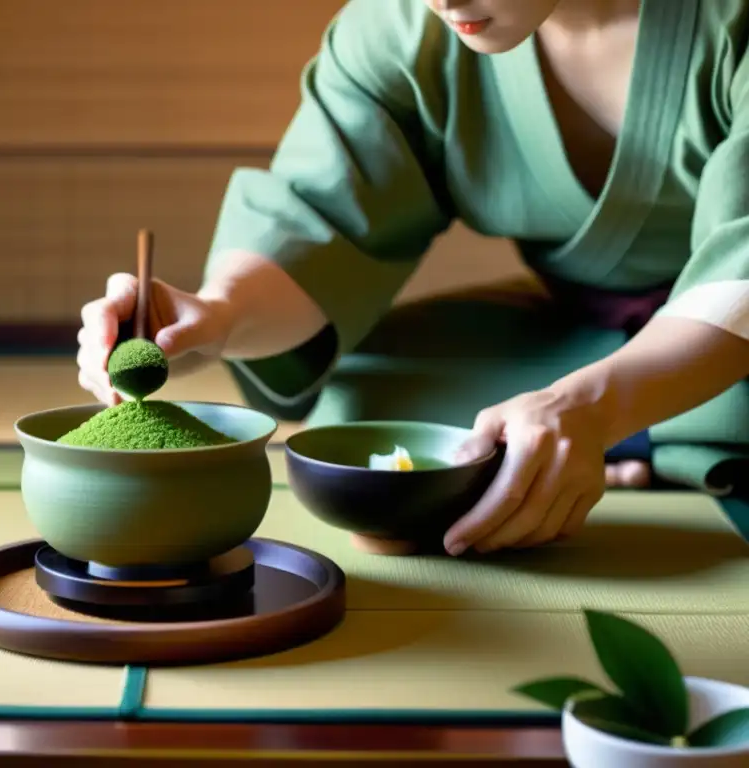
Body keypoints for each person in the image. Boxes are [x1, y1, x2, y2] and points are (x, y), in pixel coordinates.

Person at [77, 0, 749, 557]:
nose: (444, 0)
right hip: (577, 329)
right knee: (361, 404)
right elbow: (323, 215)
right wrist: (215, 316)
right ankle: (621, 438)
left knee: (735, 403)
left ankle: (613, 429)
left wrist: (597, 406)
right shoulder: (404, 27)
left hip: (731, 336)